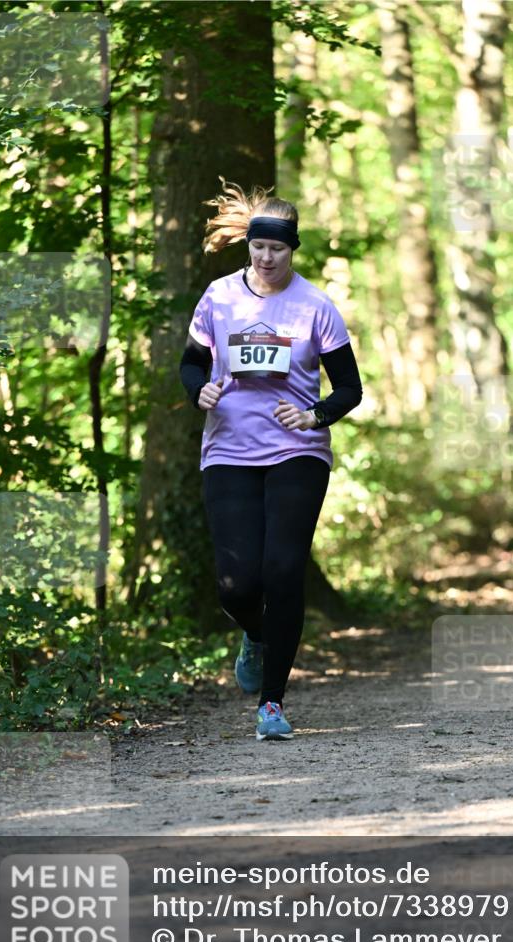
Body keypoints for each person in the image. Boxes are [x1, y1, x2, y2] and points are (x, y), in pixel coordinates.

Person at [179, 179, 362, 741]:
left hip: (296, 452)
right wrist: (198, 393)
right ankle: (256, 635)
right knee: (236, 585)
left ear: (292, 249)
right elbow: (191, 364)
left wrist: (315, 417)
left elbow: (349, 389)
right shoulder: (218, 297)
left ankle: (272, 704)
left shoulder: (314, 306)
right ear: (249, 245)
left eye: (276, 249)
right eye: (258, 247)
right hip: (229, 449)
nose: (265, 257)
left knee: (283, 571)